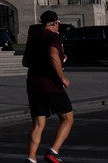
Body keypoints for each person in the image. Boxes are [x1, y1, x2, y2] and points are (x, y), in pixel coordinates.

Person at [24, 10, 73, 163]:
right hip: (51, 84)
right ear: (54, 23)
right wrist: (62, 77)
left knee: (38, 124)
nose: (58, 26)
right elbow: (53, 54)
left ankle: (31, 158)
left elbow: (25, 62)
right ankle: (53, 151)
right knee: (67, 118)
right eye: (58, 23)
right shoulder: (54, 37)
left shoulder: (33, 37)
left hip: (33, 84)